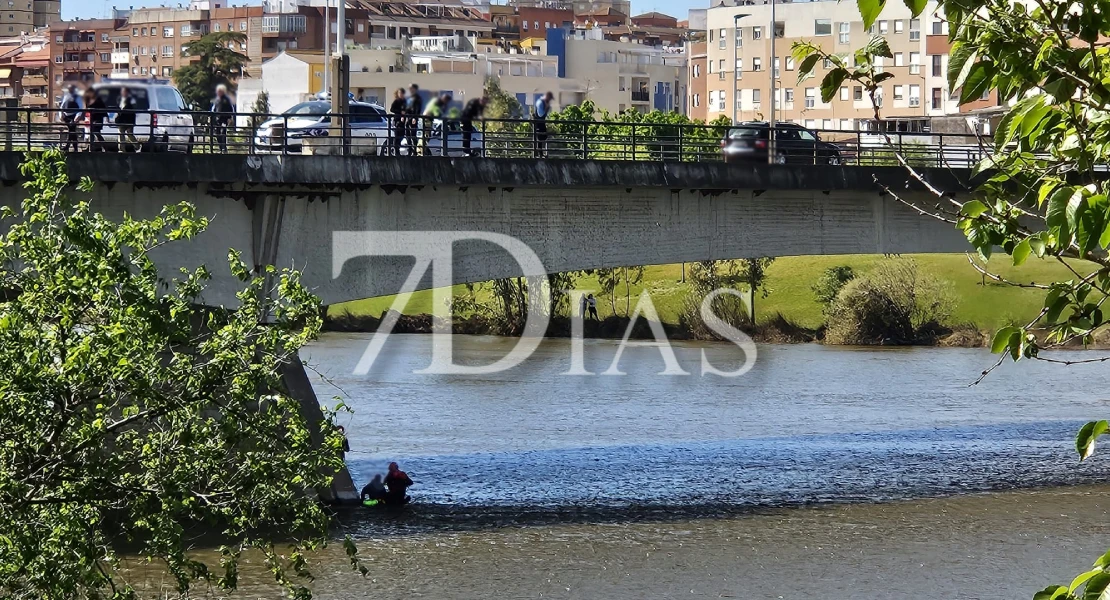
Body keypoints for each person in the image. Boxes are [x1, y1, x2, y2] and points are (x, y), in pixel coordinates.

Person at [211, 83, 235, 153]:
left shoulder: (226, 100)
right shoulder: (217, 100)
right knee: (217, 134)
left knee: (223, 133)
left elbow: (231, 109)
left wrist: (230, 118)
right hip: (217, 120)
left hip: (224, 119)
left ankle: (224, 148)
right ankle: (221, 148)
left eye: (220, 91)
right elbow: (214, 108)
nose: (218, 92)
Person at [115, 86, 139, 152]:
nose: (123, 93)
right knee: (121, 133)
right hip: (121, 120)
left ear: (127, 92)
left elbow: (133, 110)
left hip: (129, 120)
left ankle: (137, 146)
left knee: (129, 134)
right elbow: (118, 108)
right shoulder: (119, 99)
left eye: (124, 91)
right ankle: (122, 149)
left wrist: (132, 123)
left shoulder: (131, 100)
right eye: (122, 91)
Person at [59, 85, 82, 152]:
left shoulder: (77, 96)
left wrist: (78, 116)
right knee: (71, 131)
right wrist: (61, 114)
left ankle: (70, 147)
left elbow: (80, 107)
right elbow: (62, 106)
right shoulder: (66, 96)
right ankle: (73, 147)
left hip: (73, 116)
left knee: (72, 131)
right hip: (66, 116)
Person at [404, 84, 424, 156]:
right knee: (407, 135)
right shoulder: (410, 98)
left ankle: (415, 151)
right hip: (408, 117)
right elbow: (407, 108)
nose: (410, 90)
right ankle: (410, 150)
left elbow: (417, 109)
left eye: (411, 88)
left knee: (413, 135)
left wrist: (415, 118)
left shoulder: (417, 98)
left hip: (413, 118)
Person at [533, 91, 554, 158]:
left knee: (543, 137)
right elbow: (540, 114)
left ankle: (541, 153)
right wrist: (546, 107)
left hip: (541, 122)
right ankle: (539, 154)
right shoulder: (540, 102)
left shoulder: (543, 102)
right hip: (538, 123)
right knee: (540, 137)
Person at [388, 87, 406, 156]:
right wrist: (400, 112)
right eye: (399, 93)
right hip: (397, 120)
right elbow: (392, 109)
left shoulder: (405, 101)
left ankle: (397, 148)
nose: (401, 95)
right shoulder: (396, 101)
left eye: (402, 93)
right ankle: (396, 151)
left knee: (402, 135)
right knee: (397, 135)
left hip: (403, 121)